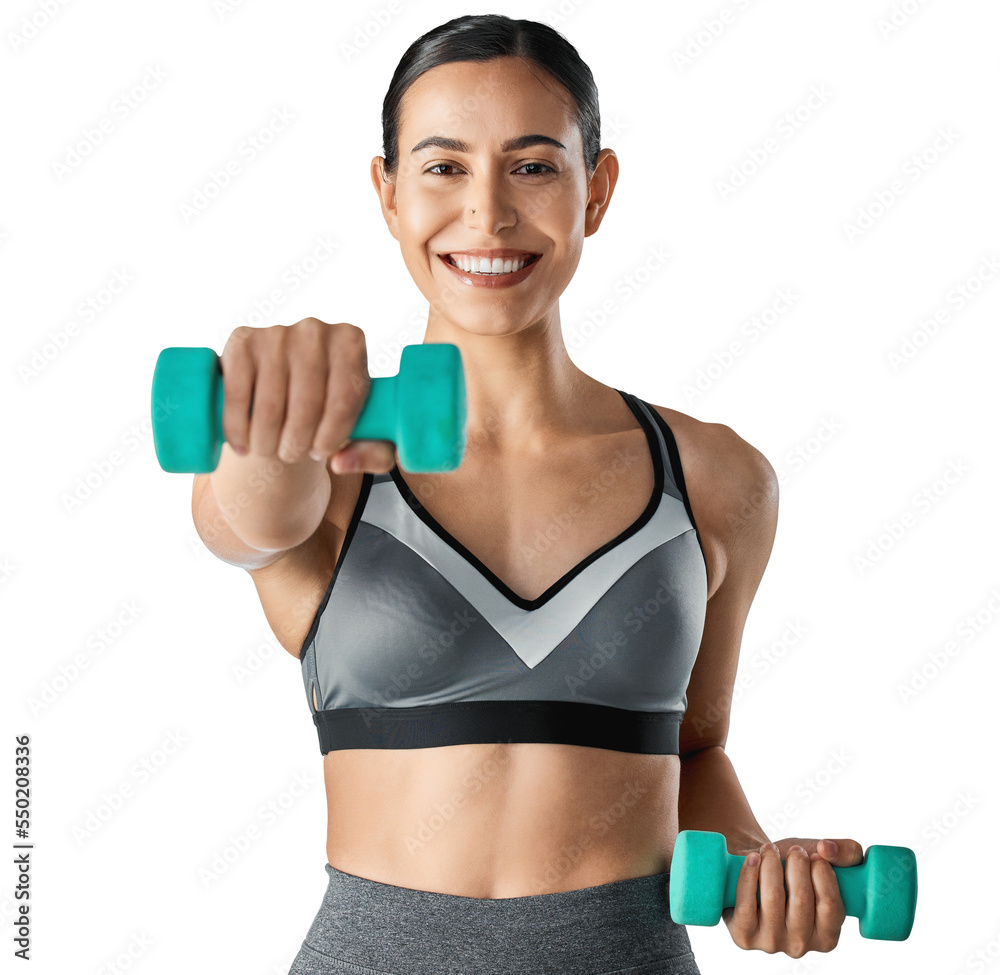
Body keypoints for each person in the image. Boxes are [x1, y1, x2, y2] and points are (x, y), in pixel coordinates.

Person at [191, 14, 864, 974]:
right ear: (386, 194)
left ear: (597, 190)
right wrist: (264, 417)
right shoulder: (324, 457)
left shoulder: (716, 479)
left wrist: (759, 869)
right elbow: (248, 523)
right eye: (443, 167)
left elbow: (696, 752)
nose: (489, 214)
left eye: (535, 166)